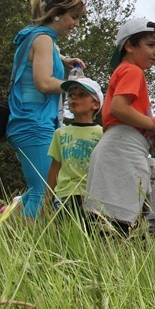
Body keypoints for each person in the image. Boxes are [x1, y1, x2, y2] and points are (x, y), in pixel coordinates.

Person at [83, 18, 155, 236]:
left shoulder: (124, 71)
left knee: (108, 218)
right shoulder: (133, 71)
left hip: (121, 146)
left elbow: (123, 117)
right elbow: (119, 108)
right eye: (151, 45)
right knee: (115, 222)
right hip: (121, 151)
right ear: (129, 45)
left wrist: (151, 137)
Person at [6, 0, 87, 219]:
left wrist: (65, 61)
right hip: (33, 123)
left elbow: (42, 59)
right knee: (43, 192)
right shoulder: (43, 40)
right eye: (73, 17)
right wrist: (74, 85)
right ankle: (25, 247)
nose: (76, 24)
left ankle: (7, 218)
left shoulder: (38, 37)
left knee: (45, 189)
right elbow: (43, 82)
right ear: (57, 15)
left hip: (33, 122)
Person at [45, 77, 104, 222]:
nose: (74, 98)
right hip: (64, 195)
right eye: (71, 95)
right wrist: (46, 200)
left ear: (95, 104)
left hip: (91, 195)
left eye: (82, 94)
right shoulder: (60, 133)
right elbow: (55, 168)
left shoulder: (103, 134)